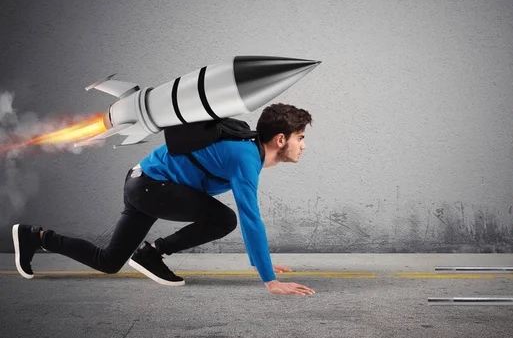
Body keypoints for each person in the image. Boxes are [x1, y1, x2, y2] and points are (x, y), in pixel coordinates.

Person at [12, 103, 316, 296]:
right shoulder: (246, 157)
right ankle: (152, 253)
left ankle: (35, 236)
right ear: (280, 139)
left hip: (143, 184)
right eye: (300, 138)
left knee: (108, 262)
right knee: (225, 219)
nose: (303, 145)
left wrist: (260, 263)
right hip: (150, 187)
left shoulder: (248, 148)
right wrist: (269, 280)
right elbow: (251, 217)